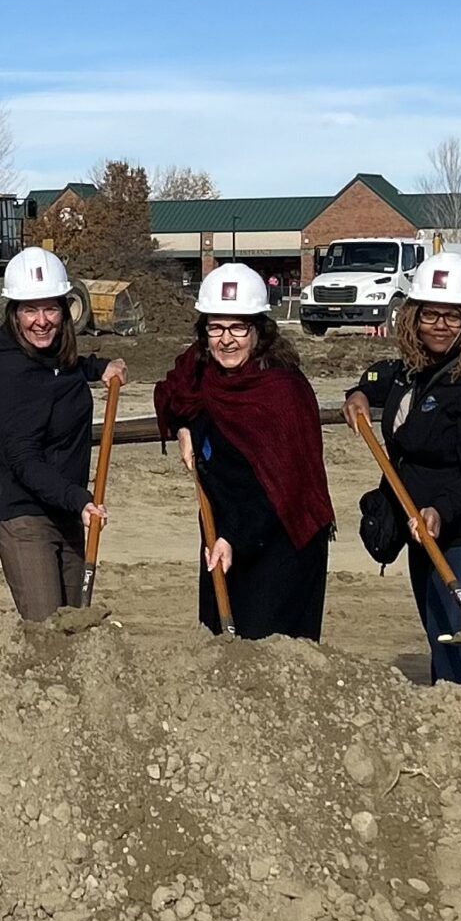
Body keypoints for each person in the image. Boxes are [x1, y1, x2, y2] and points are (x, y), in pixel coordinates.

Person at [343, 251, 461, 685]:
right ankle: (445, 706)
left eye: (454, 317)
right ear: (413, 317)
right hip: (423, 515)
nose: (441, 326)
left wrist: (441, 510)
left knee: (455, 625)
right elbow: (385, 376)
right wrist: (359, 392)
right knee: (435, 625)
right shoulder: (417, 368)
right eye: (430, 315)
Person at [155, 262, 334, 640]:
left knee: (267, 652)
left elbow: (285, 485)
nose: (227, 339)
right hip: (222, 528)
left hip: (281, 539)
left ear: (259, 331)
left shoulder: (282, 392)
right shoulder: (203, 374)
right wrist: (183, 425)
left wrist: (234, 536)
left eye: (238, 327)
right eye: (216, 327)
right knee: (220, 646)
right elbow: (174, 391)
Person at [0, 247, 124, 622]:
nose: (41, 321)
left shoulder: (58, 360)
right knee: (48, 626)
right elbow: (24, 460)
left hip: (66, 506)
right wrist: (80, 500)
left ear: (65, 311)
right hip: (21, 510)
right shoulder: (10, 376)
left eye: (50, 309)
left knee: (76, 620)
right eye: (30, 309)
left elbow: (68, 368)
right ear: (14, 315)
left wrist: (101, 366)